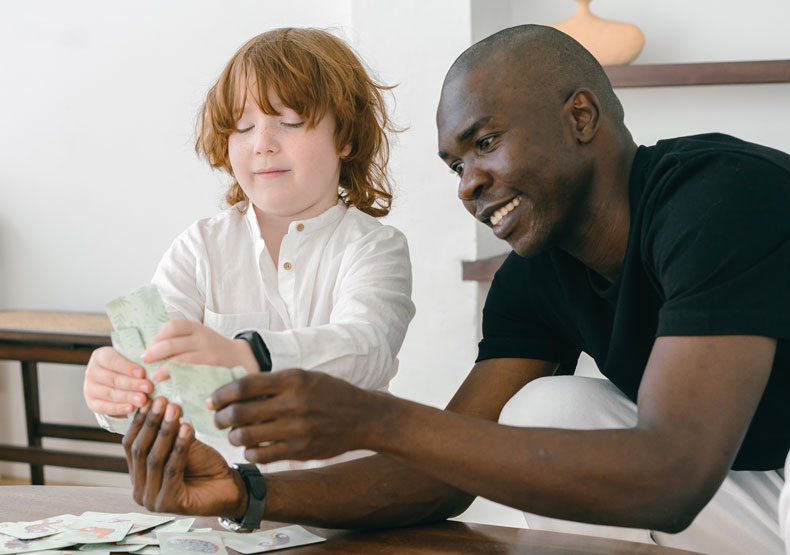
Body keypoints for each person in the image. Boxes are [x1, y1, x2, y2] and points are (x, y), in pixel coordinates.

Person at [119, 24, 790, 554]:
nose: (468, 182)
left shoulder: (717, 196)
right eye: (455, 164)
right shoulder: (534, 276)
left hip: (740, 486)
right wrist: (242, 492)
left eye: (486, 143)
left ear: (580, 116)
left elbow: (671, 474)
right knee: (546, 407)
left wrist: (369, 416)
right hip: (750, 499)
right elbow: (443, 471)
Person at [82, 27, 415, 471]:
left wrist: (252, 355)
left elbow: (367, 348)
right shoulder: (199, 248)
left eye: (292, 121)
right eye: (243, 127)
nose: (262, 144)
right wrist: (116, 393)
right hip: (230, 509)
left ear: (347, 137)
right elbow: (159, 378)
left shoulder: (375, 246)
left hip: (347, 505)